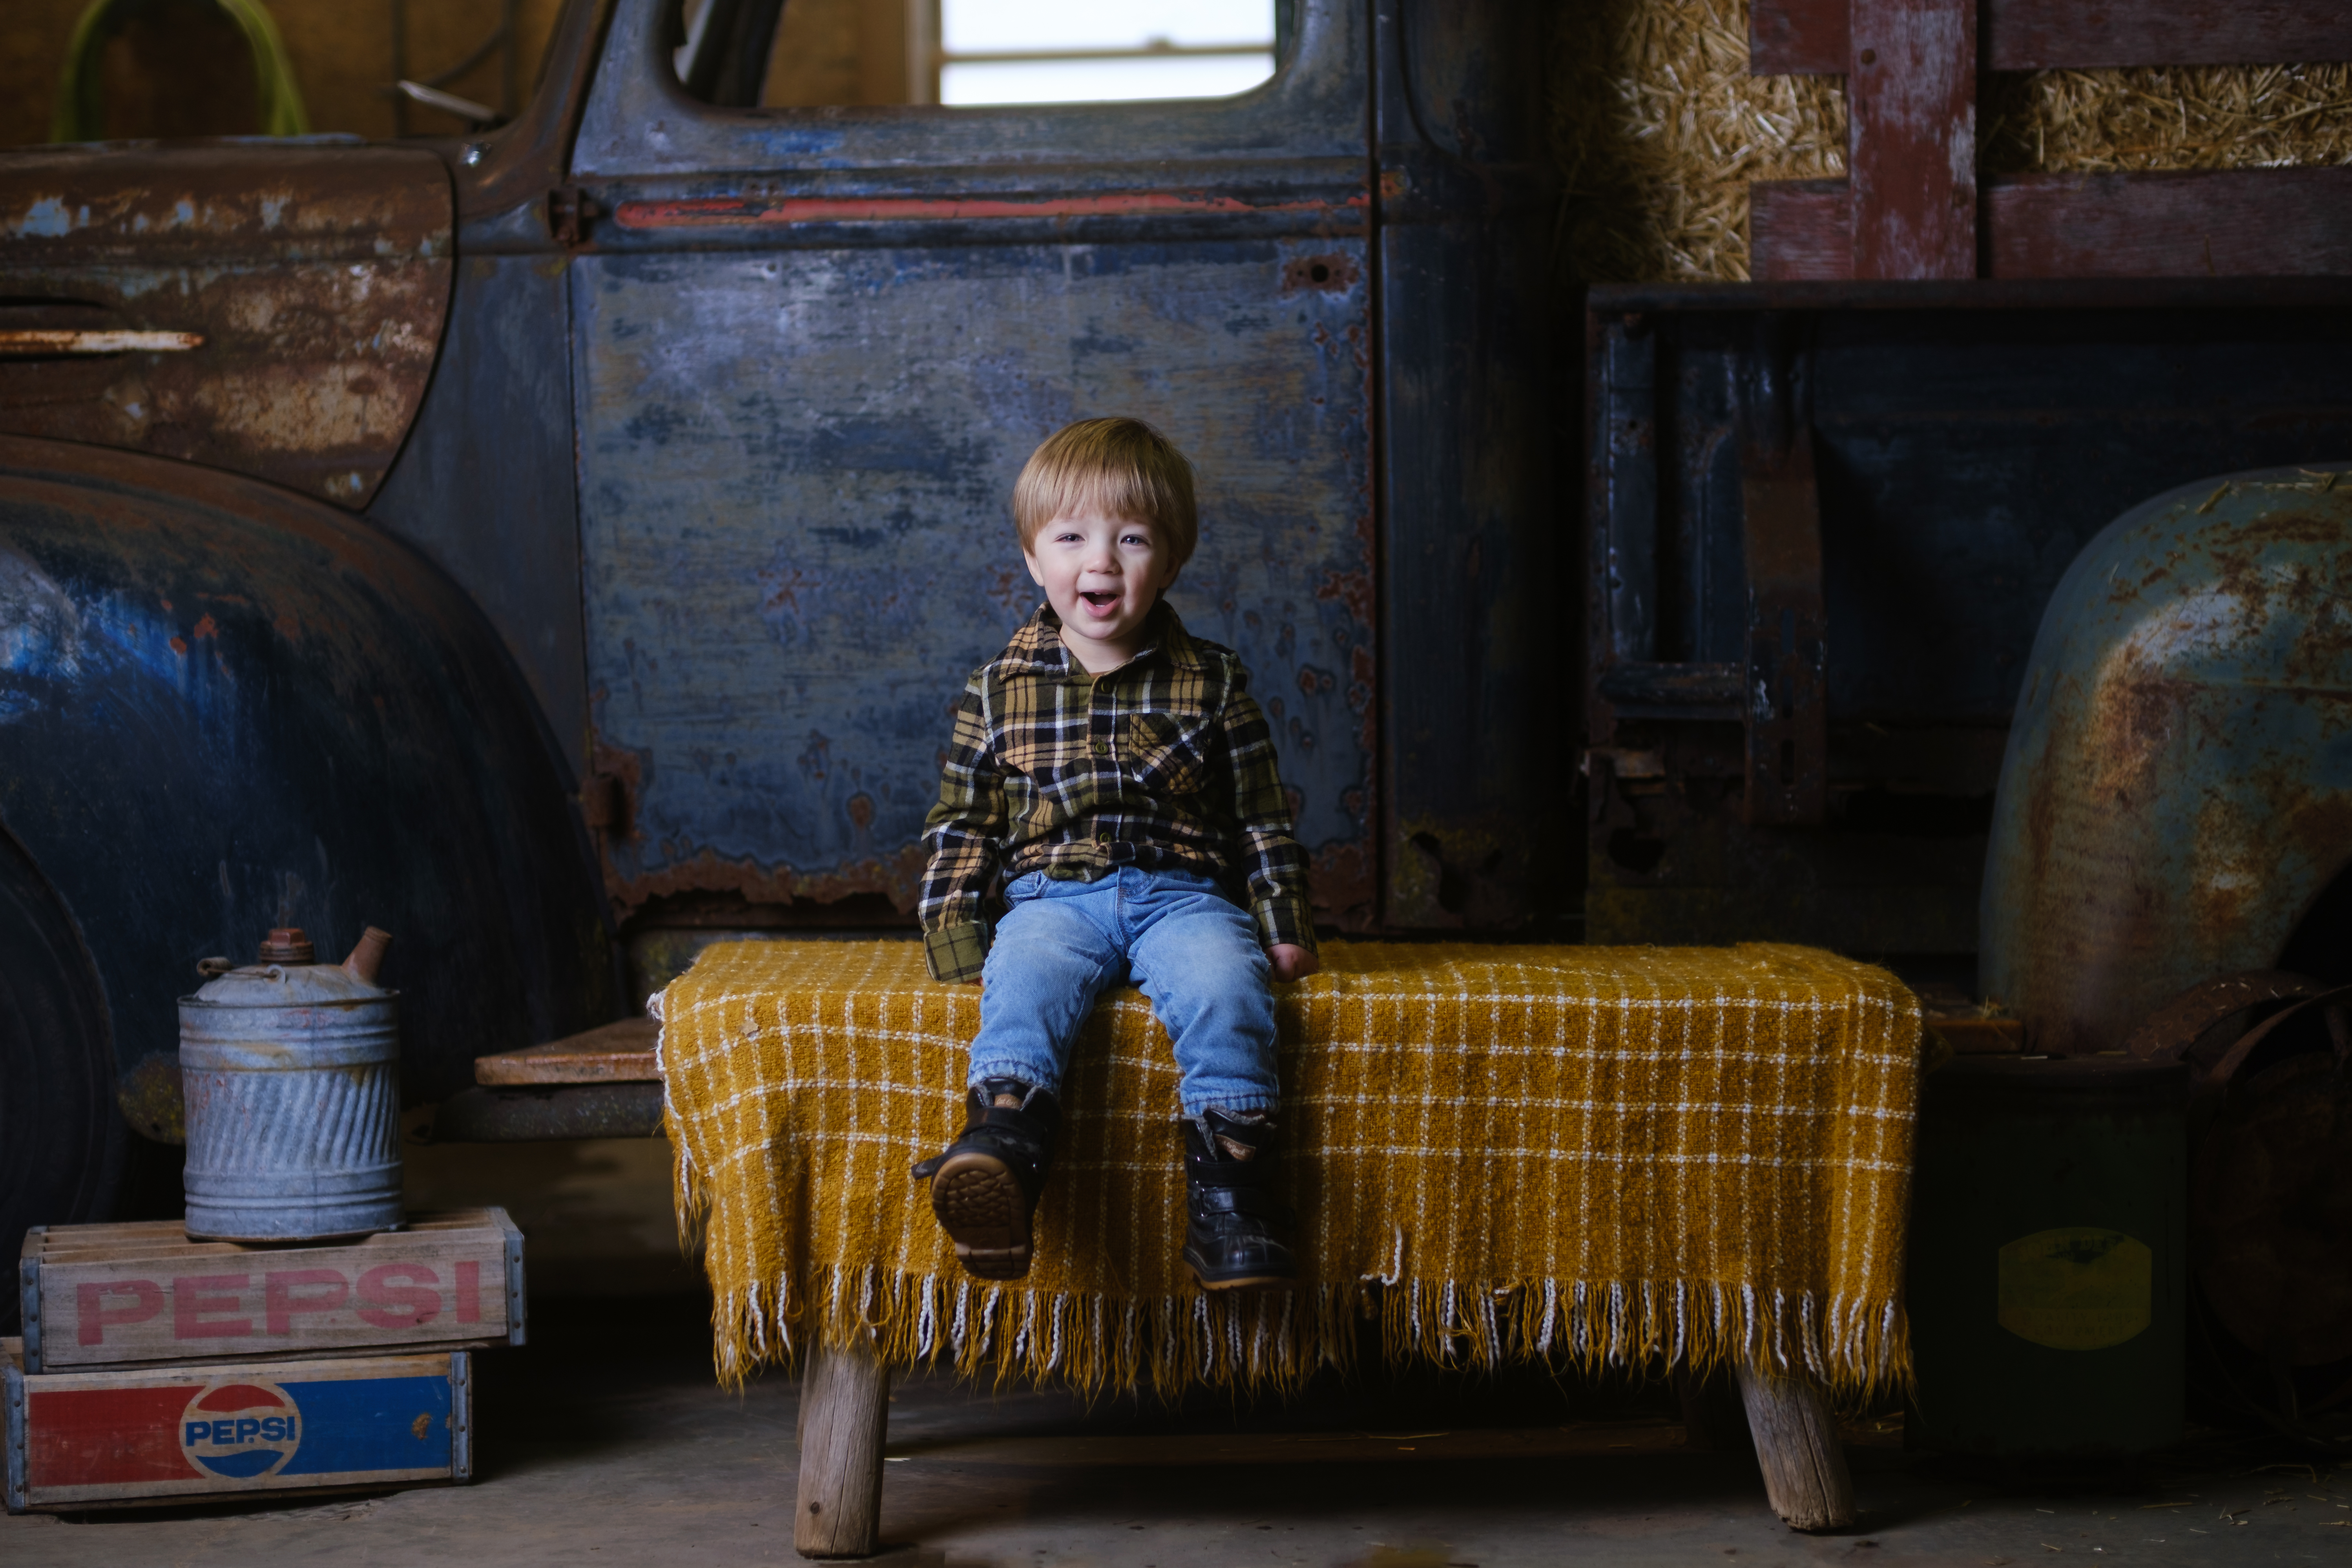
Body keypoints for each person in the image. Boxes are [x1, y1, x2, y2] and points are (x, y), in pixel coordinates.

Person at [912, 416, 1319, 1291]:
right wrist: (953, 929)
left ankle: (1232, 1194)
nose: (1100, 562)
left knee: (1225, 986)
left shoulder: (1213, 681)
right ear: (1033, 560)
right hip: (1052, 898)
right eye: (1072, 538)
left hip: (1184, 896)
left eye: (1131, 539)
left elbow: (1259, 817)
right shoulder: (997, 690)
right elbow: (963, 821)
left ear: (1169, 564)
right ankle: (1004, 1149)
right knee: (1024, 981)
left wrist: (1282, 922)